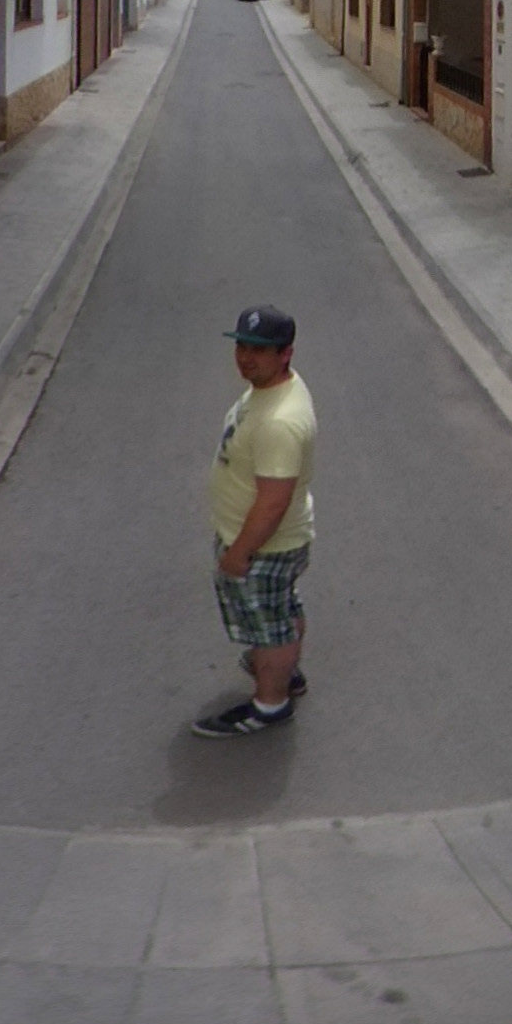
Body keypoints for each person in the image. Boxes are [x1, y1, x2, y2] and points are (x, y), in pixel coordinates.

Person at [191, 305, 316, 737]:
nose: (246, 358)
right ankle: (285, 671)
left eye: (260, 350)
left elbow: (273, 503)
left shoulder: (280, 422)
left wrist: (240, 554)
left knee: (269, 631)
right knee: (282, 610)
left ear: (286, 354)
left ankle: (270, 704)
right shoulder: (270, 391)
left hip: (263, 547)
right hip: (271, 542)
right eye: (242, 346)